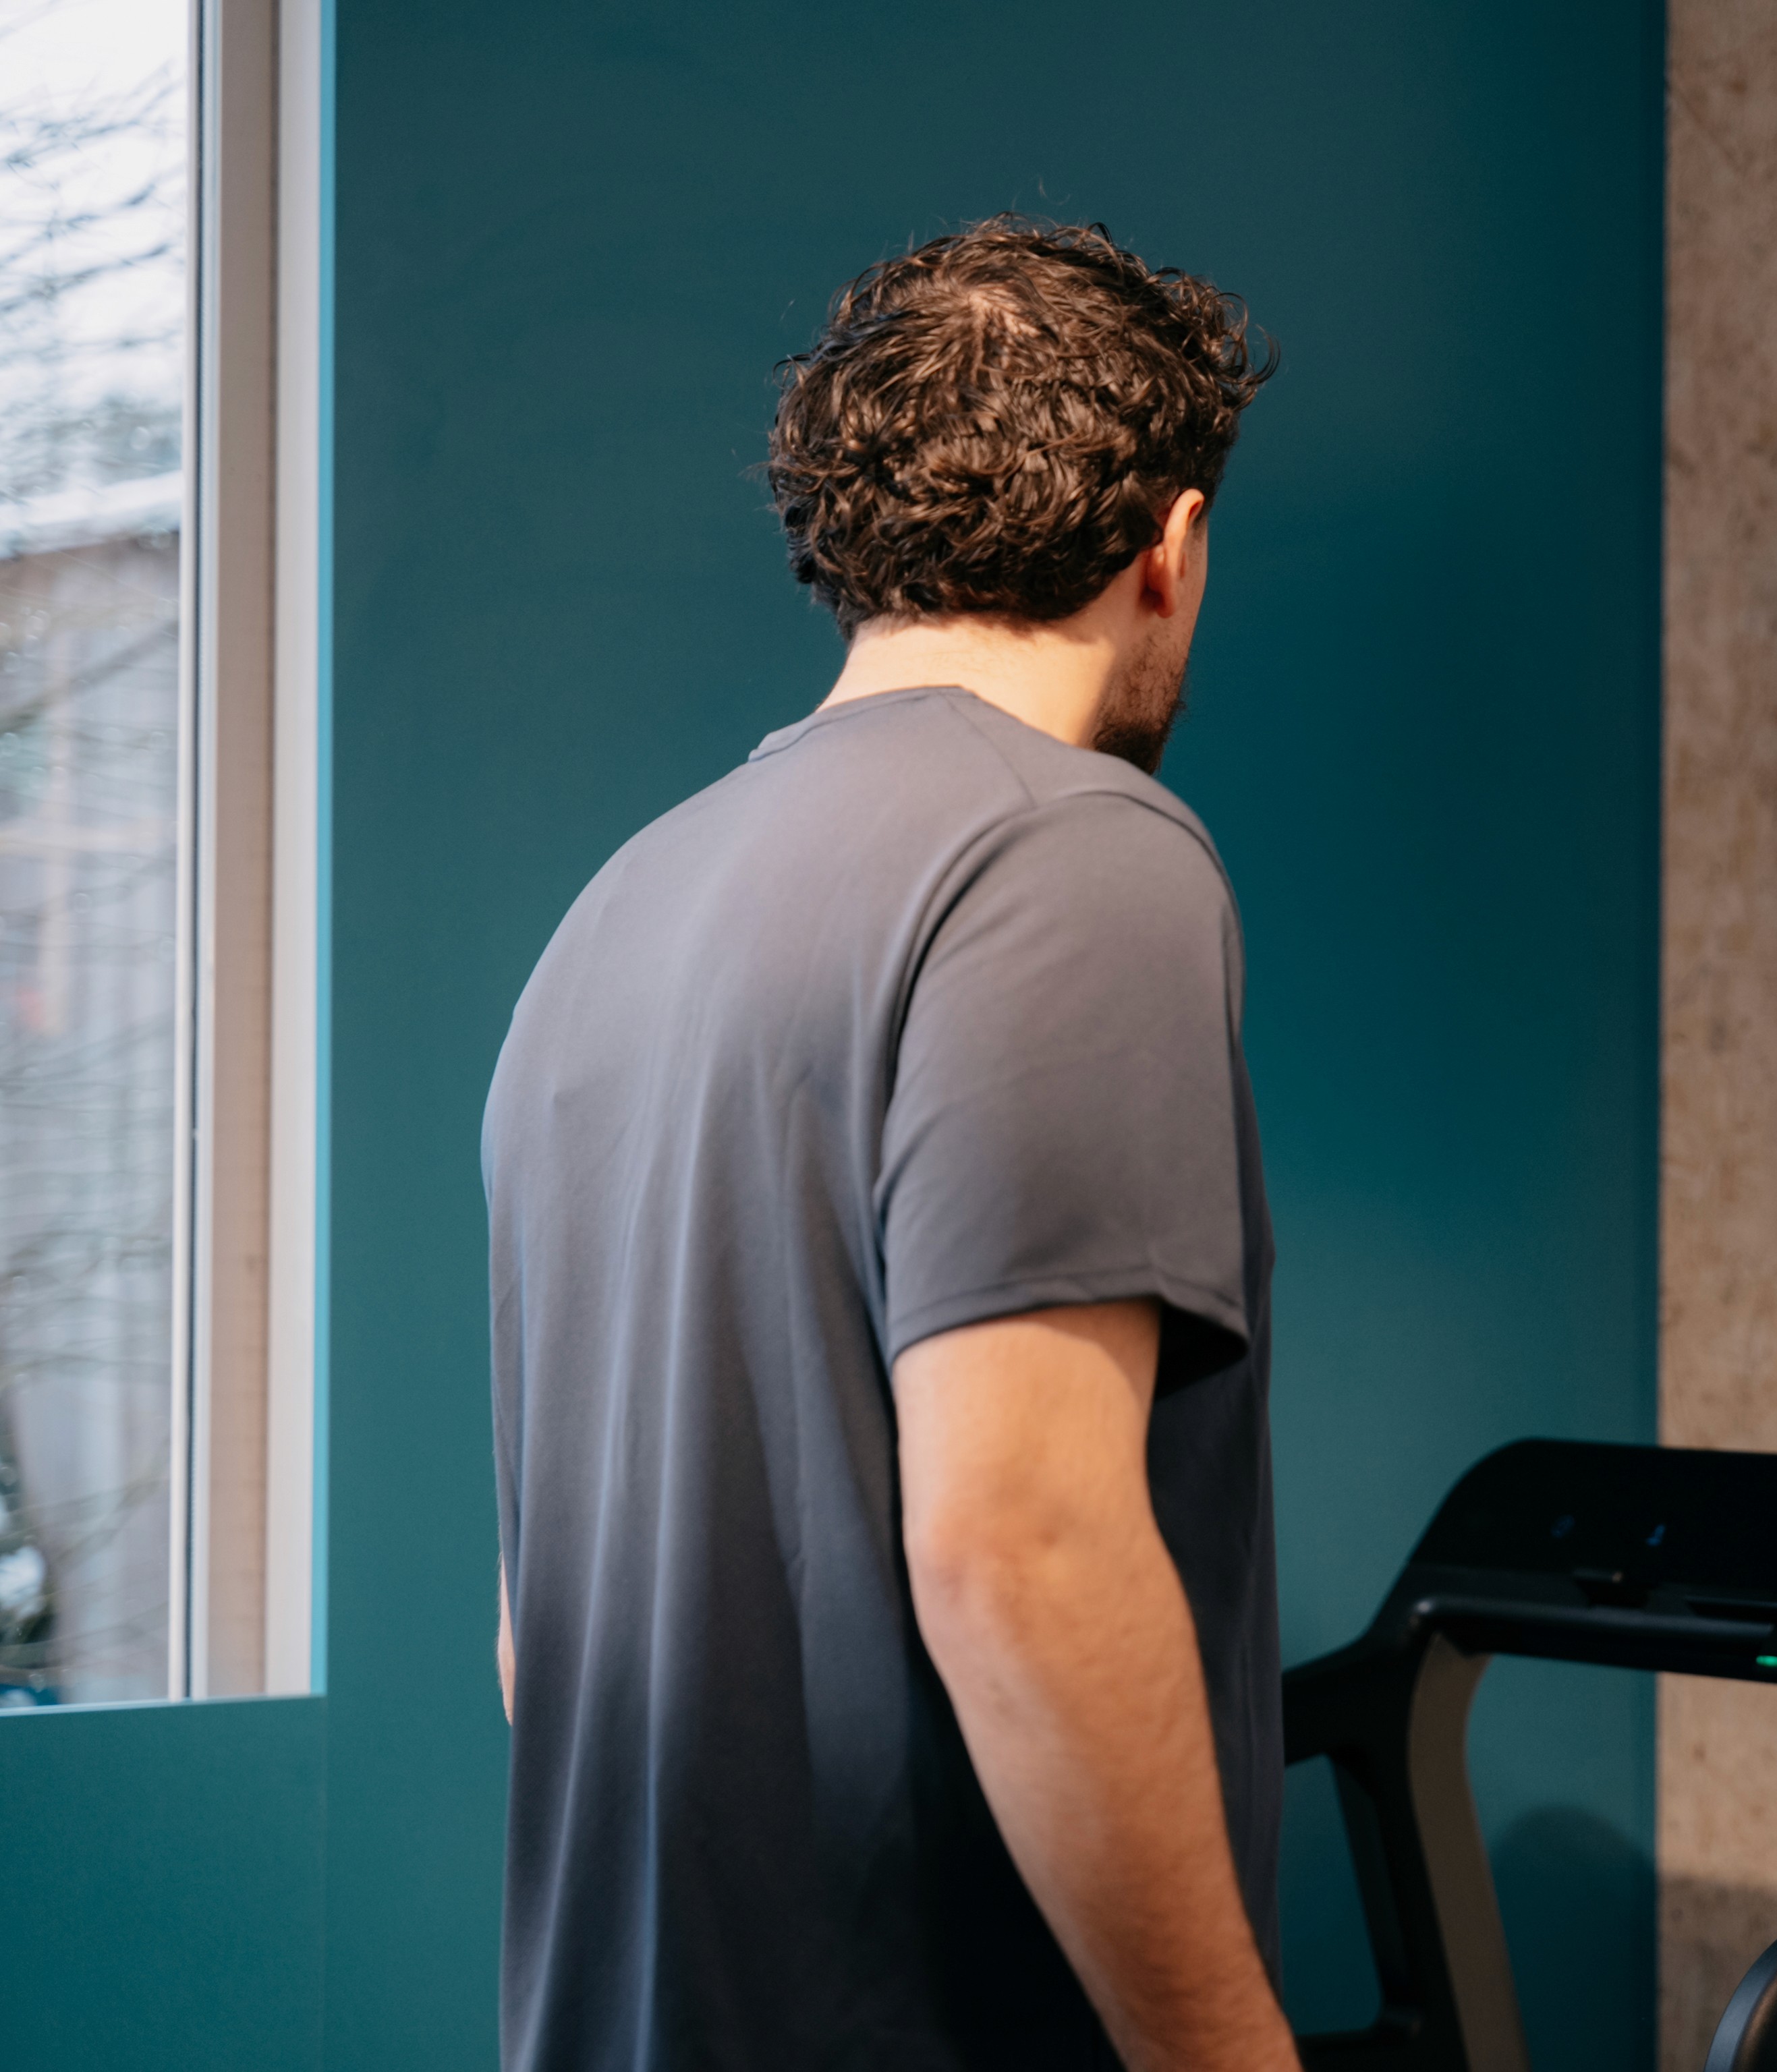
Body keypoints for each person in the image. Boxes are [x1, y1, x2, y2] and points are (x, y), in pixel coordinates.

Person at [484, 219, 1298, 2072]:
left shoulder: (619, 911)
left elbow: (539, 1645)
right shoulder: (1078, 856)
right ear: (1167, 551)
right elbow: (1018, 1540)